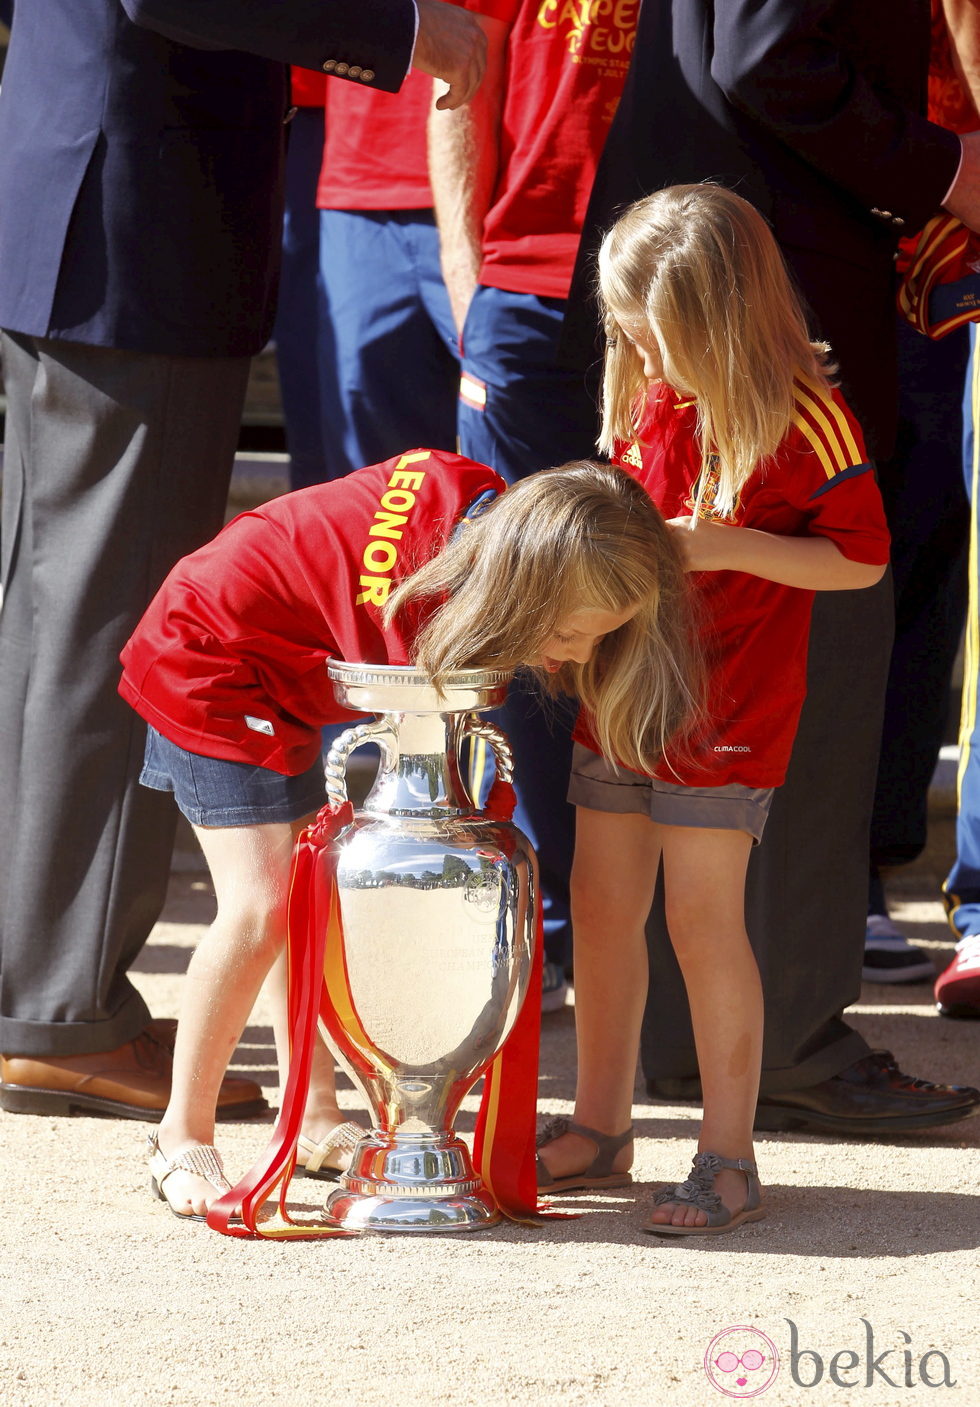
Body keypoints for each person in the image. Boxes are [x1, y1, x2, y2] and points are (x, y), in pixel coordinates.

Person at [0, 0, 487, 1122]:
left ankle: (48, 994)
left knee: (50, 625)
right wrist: (403, 32)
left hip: (94, 221)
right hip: (131, 232)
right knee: (106, 632)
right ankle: (60, 1010)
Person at [562, 0, 980, 1132]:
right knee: (817, 691)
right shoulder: (714, 365)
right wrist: (945, 169)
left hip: (712, 262)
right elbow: (766, 54)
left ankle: (696, 1057)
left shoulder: (670, 366)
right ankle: (781, 1043)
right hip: (753, 277)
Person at [117, 447, 697, 1218]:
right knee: (259, 906)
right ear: (524, 585)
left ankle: (315, 1116)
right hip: (207, 655)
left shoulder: (480, 510)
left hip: (275, 661)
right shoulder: (421, 612)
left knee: (299, 898)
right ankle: (180, 1137)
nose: (577, 657)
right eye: (568, 631)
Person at [537, 185, 895, 1236]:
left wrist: (730, 546)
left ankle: (726, 1157)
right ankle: (600, 1124)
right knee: (601, 910)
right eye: (627, 336)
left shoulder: (805, 412)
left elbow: (863, 560)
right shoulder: (647, 392)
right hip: (622, 694)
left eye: (657, 338)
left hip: (728, 708)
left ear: (719, 317)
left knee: (699, 923)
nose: (642, 357)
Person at [428, 0, 639, 1010]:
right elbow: (456, 82)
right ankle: (527, 917)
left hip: (662, 288)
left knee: (650, 594)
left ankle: (626, 929)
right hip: (526, 285)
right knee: (510, 609)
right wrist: (467, 278)